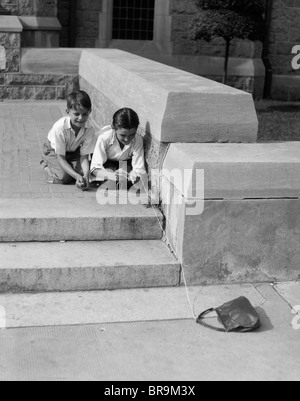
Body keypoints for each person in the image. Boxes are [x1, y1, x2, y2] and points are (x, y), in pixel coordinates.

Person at [40, 91, 95, 191]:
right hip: (54, 151)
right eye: (76, 114)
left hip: (73, 151)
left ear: (90, 111)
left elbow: (84, 156)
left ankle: (70, 168)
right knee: (64, 177)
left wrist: (86, 175)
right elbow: (61, 157)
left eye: (85, 114)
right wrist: (76, 176)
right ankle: (45, 164)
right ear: (67, 111)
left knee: (84, 172)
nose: (81, 118)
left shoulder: (90, 129)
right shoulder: (60, 128)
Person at [90, 108, 146, 189]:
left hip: (124, 165)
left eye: (132, 134)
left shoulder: (138, 140)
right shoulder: (104, 137)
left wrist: (134, 176)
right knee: (110, 181)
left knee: (125, 179)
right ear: (113, 127)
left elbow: (139, 168)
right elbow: (95, 168)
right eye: (123, 135)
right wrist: (112, 175)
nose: (127, 139)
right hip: (107, 164)